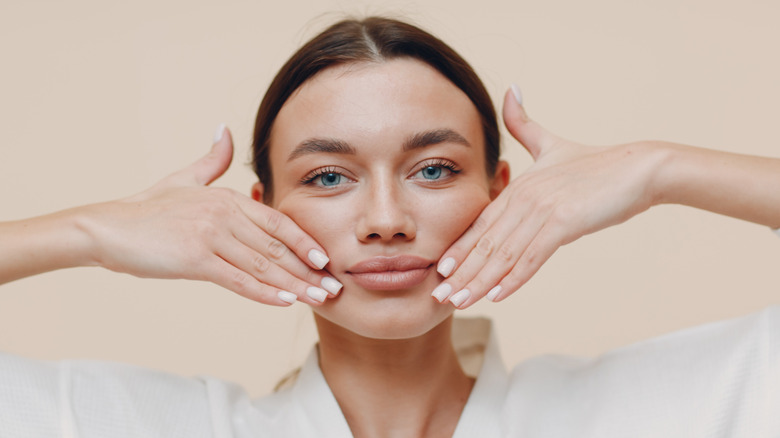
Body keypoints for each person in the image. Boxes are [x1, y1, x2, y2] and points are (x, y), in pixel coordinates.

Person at [1, 16, 779, 438]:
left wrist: (661, 169)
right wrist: (86, 232)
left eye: (433, 169)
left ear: (499, 191)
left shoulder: (657, 412)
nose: (385, 221)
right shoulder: (146, 425)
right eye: (328, 177)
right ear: (262, 207)